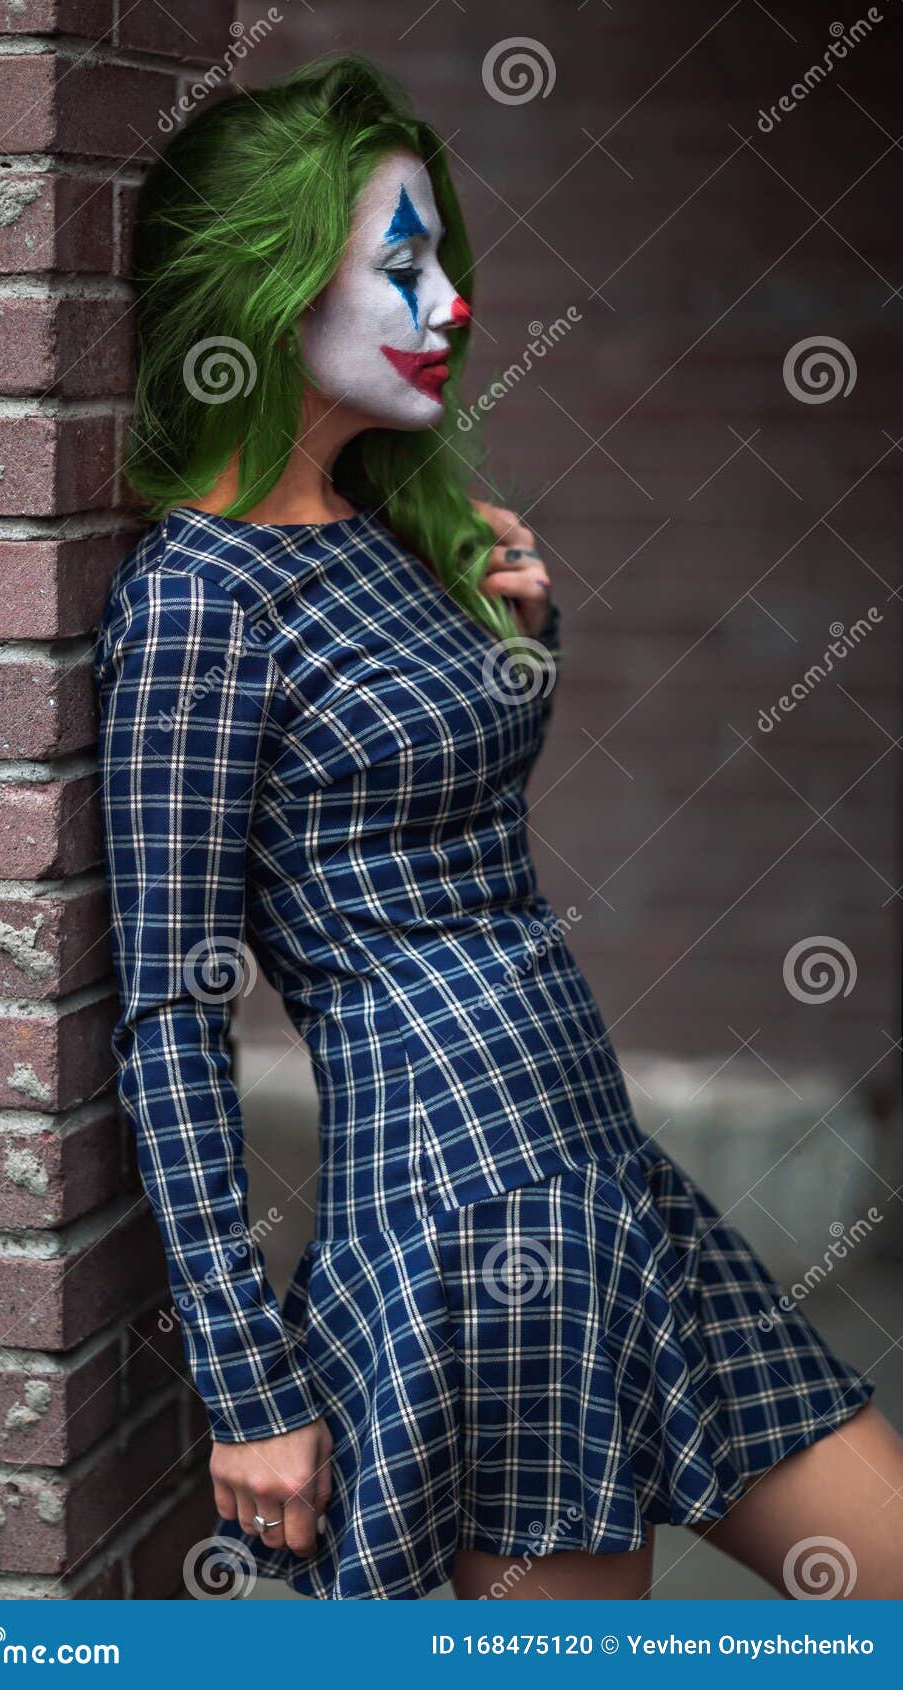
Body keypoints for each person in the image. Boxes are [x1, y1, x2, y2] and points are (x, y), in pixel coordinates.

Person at [94, 55, 903, 1601]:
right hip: (464, 1229)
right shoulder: (199, 605)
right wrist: (249, 1388)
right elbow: (167, 1021)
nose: (450, 299)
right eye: (401, 263)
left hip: (594, 1168)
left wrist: (522, 637)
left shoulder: (395, 530)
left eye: (446, 255)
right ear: (264, 288)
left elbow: (447, 822)